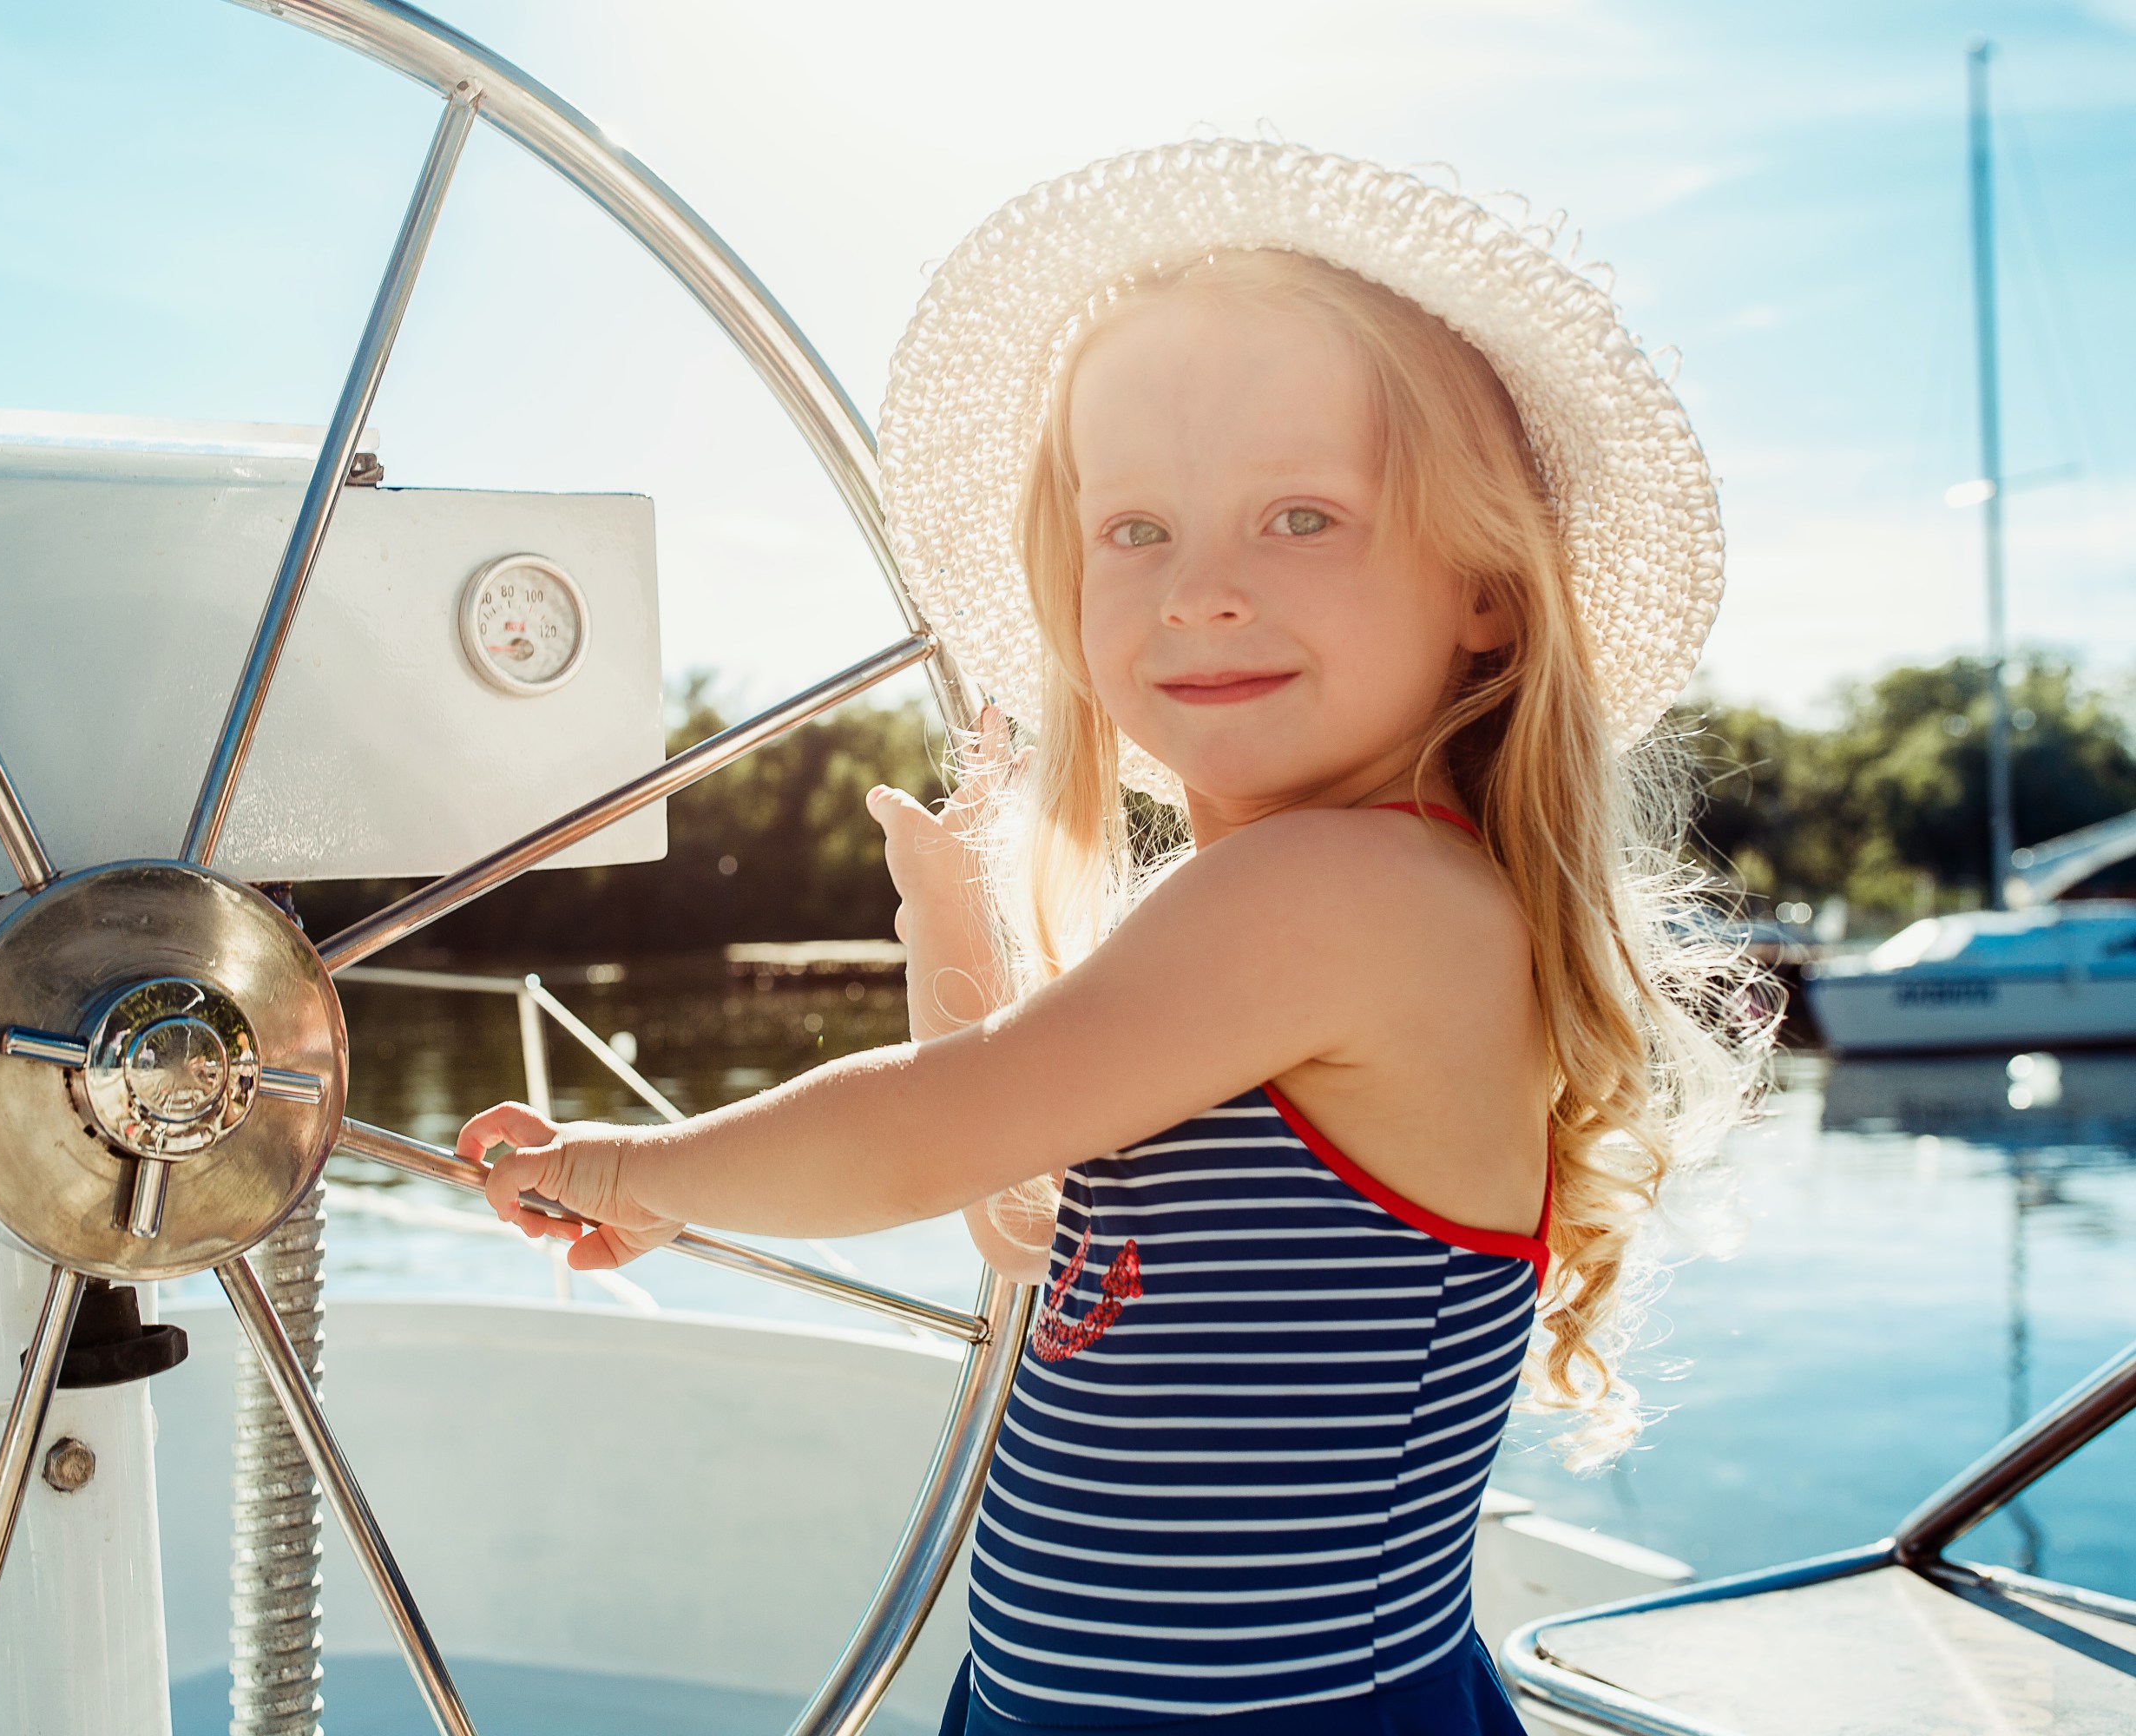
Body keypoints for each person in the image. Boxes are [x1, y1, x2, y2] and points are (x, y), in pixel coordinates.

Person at [462, 141, 1767, 1734]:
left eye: (1300, 517)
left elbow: (929, 1144)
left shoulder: (1343, 897)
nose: (1200, 591)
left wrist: (637, 1173)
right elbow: (1037, 1233)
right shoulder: (1300, 907)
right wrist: (954, 938)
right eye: (1135, 527)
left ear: (1488, 587)